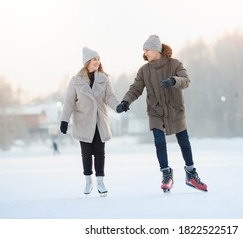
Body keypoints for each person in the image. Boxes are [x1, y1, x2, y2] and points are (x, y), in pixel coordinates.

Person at [116, 35, 208, 192]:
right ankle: (166, 174)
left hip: (175, 109)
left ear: (156, 49)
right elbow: (135, 88)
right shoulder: (144, 70)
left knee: (184, 142)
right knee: (159, 142)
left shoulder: (175, 64)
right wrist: (125, 102)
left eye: (147, 50)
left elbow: (186, 80)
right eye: (144, 51)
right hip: (155, 110)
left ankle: (191, 174)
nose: (145, 53)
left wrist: (173, 81)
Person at [60, 47, 120, 196]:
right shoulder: (76, 81)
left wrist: (118, 106)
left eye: (99, 59)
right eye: (94, 59)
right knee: (86, 153)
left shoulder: (103, 79)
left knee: (100, 152)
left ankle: (100, 182)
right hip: (83, 122)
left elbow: (110, 97)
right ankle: (88, 181)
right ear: (87, 62)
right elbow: (69, 102)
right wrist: (64, 120)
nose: (97, 62)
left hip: (99, 122)